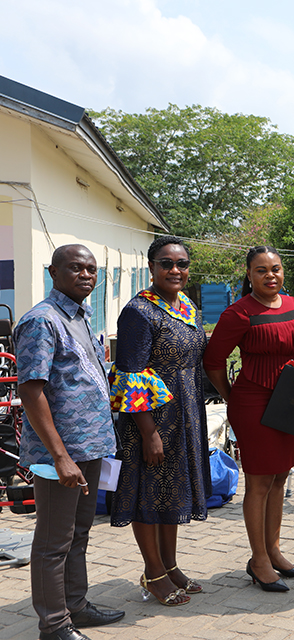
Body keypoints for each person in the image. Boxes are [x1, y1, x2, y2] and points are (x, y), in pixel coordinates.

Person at [15, 244, 125, 640]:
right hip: (58, 454)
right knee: (52, 542)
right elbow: (31, 391)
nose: (85, 275)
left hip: (90, 447)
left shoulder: (78, 317)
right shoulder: (41, 322)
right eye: (75, 268)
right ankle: (54, 626)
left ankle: (75, 606)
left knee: (78, 533)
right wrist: (61, 457)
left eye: (91, 270)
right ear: (53, 272)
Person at [204, 246, 294, 593]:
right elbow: (213, 360)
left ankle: (274, 551)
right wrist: (232, 396)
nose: (271, 275)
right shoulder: (238, 313)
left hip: (289, 400)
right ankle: (258, 561)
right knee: (259, 482)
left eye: (276, 269)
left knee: (281, 477)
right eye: (261, 270)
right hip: (253, 402)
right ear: (249, 274)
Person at [109, 236, 211, 606]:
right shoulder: (139, 312)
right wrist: (148, 432)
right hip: (151, 420)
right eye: (166, 263)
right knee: (150, 494)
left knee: (173, 492)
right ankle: (153, 573)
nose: (175, 270)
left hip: (185, 413)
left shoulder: (186, 305)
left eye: (181, 264)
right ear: (151, 267)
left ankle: (170, 566)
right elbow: (128, 373)